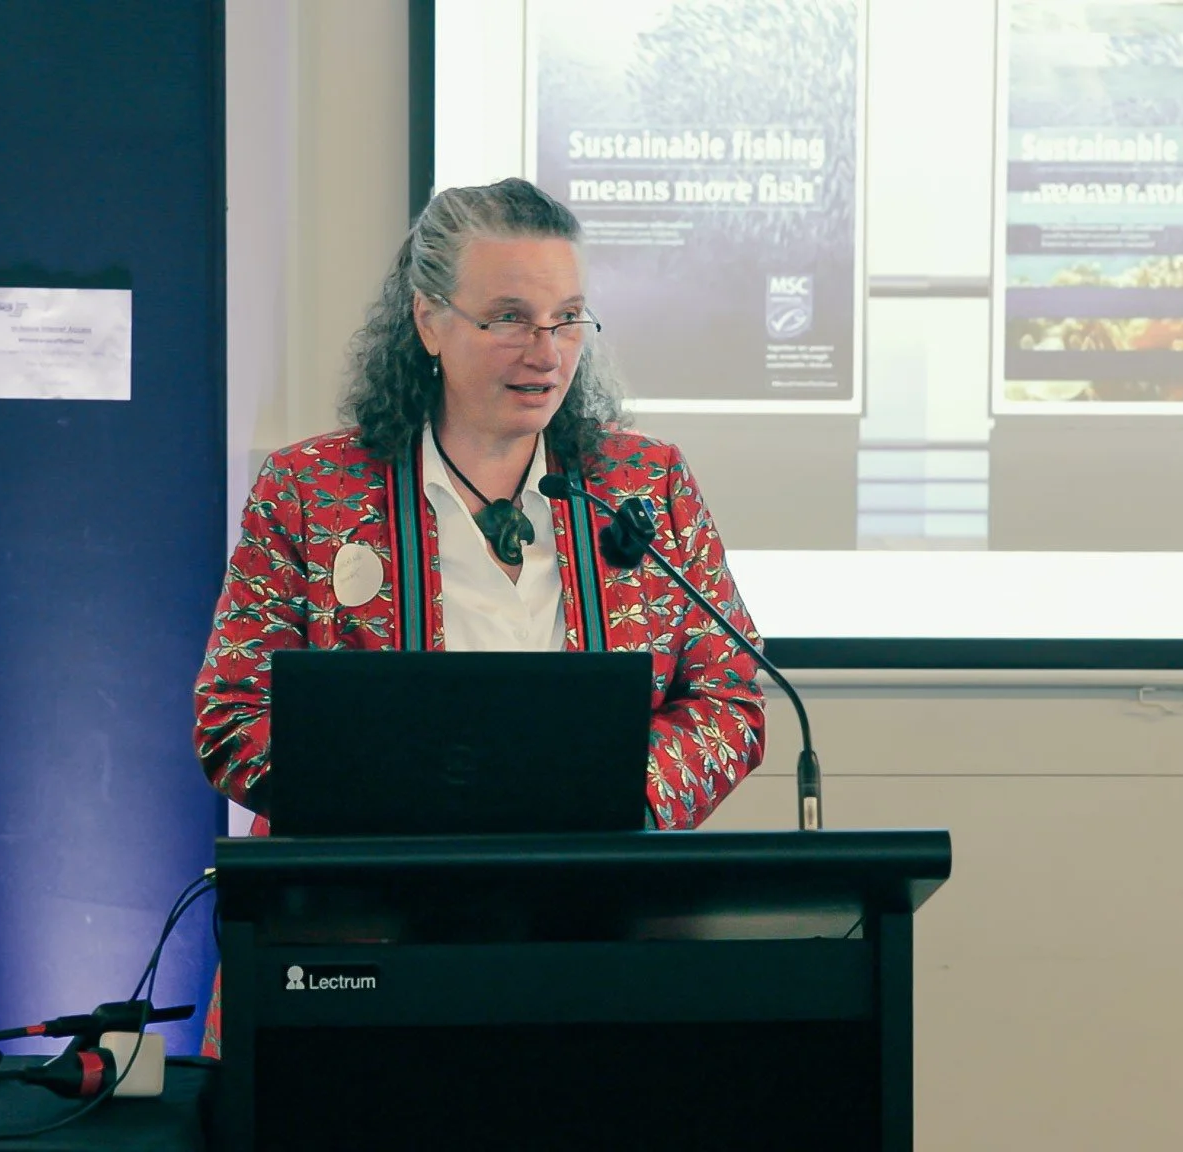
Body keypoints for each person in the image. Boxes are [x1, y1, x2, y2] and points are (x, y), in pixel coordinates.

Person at [191, 177, 767, 1058]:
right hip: (359, 945)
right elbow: (231, 717)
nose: (546, 351)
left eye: (568, 317)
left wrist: (622, 800)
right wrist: (389, 805)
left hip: (597, 939)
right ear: (429, 322)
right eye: (509, 317)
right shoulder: (311, 492)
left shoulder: (644, 485)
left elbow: (729, 695)